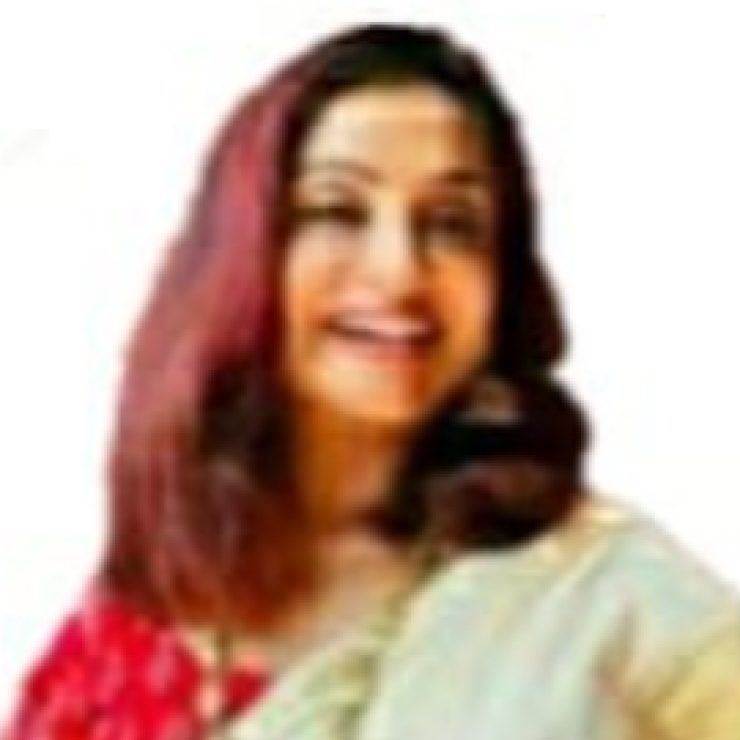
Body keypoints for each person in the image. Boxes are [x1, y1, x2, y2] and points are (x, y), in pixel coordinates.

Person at [4, 22, 740, 740]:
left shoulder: (611, 604)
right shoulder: (134, 631)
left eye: (452, 223)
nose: (398, 271)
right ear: (242, 258)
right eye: (337, 211)